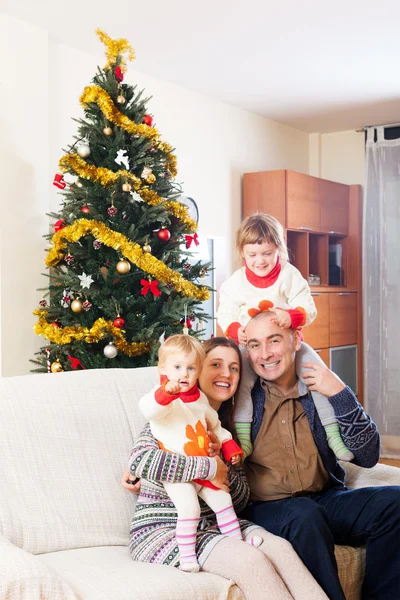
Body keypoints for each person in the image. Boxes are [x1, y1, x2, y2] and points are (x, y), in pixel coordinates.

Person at [124, 337, 328, 600]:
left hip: (217, 526)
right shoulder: (171, 413)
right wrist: (209, 466)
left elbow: (241, 498)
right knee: (251, 562)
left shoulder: (228, 431)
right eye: (216, 364)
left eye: (234, 368)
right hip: (163, 530)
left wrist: (224, 463)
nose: (225, 373)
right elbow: (141, 461)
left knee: (281, 550)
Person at [240, 310, 400, 600]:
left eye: (274, 340)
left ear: (296, 340)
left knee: (396, 502)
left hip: (325, 499)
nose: (265, 354)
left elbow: (367, 456)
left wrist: (340, 393)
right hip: (263, 508)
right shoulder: (240, 396)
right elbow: (185, 408)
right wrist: (142, 463)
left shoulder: (320, 388)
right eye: (254, 344)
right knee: (305, 515)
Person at [217, 213, 354, 462]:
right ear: (242, 253)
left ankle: (333, 435)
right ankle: (245, 440)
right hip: (251, 348)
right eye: (252, 255)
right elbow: (224, 313)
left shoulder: (289, 275)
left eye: (267, 253)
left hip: (289, 347)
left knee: (318, 375)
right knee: (243, 387)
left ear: (279, 249)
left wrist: (291, 316)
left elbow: (308, 307)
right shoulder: (235, 283)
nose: (260, 261)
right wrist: (239, 331)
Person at [138, 334, 244, 573]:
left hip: (203, 463)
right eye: (177, 367)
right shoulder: (163, 398)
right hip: (179, 473)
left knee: (224, 501)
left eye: (190, 368)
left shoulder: (200, 400)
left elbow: (215, 425)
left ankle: (237, 543)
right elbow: (148, 410)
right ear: (163, 368)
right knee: (189, 508)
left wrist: (228, 447)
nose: (183, 374)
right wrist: (166, 393)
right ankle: (187, 557)